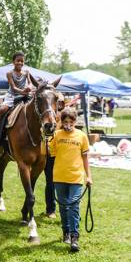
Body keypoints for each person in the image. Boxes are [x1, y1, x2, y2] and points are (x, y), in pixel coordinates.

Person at [49, 107, 92, 252]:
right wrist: (45, 139)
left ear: (75, 121)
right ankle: (65, 232)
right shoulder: (56, 135)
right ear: (61, 122)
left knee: (73, 206)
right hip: (59, 176)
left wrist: (89, 176)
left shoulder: (82, 136)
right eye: (65, 121)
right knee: (63, 206)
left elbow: (85, 157)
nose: (68, 124)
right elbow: (49, 153)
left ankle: (74, 237)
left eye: (71, 121)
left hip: (76, 177)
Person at [0, 51, 33, 142]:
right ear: (13, 62)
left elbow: (30, 83)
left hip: (25, 95)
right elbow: (13, 87)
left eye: (22, 61)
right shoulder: (9, 73)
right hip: (12, 96)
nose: (20, 63)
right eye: (18, 61)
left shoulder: (26, 72)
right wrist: (22, 91)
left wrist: (29, 88)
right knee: (2, 109)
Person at [44, 92, 65, 219]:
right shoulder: (46, 115)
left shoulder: (65, 116)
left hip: (61, 154)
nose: (59, 105)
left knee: (61, 182)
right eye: (58, 102)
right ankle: (50, 209)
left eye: (61, 102)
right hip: (48, 153)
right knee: (50, 181)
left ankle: (65, 208)